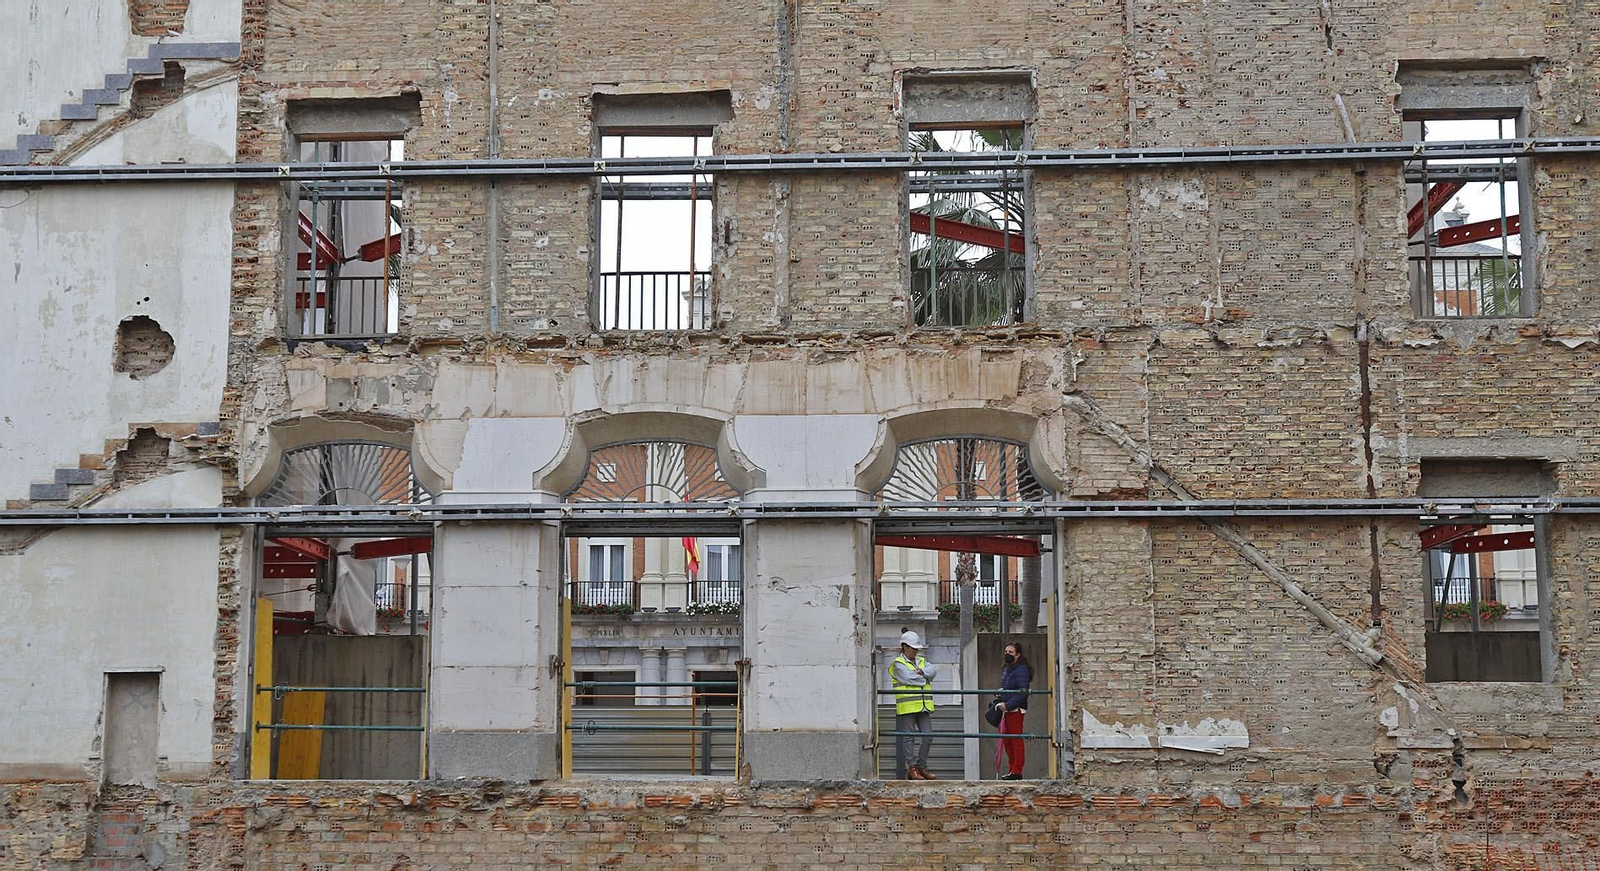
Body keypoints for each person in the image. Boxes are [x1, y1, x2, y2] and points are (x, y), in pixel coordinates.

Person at [889, 630, 939, 780]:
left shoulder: (921, 661)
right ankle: (912, 768)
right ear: (904, 646)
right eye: (913, 647)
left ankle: (921, 766)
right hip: (908, 707)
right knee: (908, 738)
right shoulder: (898, 663)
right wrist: (925, 677)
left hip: (923, 706)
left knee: (928, 736)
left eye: (917, 648)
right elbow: (909, 678)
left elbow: (933, 671)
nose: (915, 650)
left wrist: (922, 672)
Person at [994, 641, 1032, 780]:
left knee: (1016, 740)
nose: (1007, 654)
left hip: (1015, 709)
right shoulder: (1008, 668)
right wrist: (1002, 693)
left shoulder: (1021, 669)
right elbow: (1010, 686)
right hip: (1007, 707)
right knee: (1007, 740)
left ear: (1018, 654)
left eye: (1010, 652)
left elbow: (1023, 691)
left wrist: (1009, 705)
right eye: (1006, 652)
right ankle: (1012, 769)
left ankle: (1017, 770)